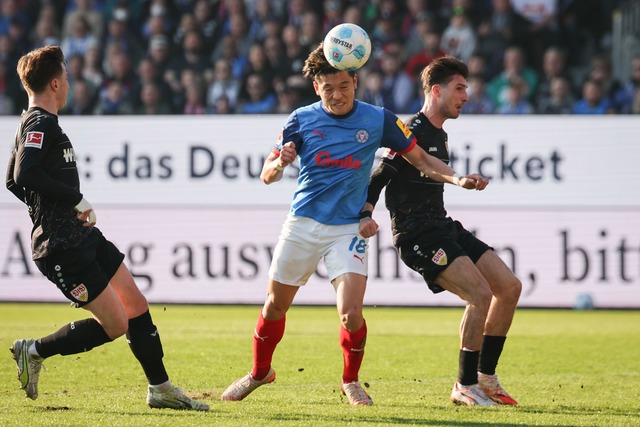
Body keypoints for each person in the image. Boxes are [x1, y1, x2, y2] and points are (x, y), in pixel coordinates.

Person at [220, 43, 481, 406]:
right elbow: (266, 175)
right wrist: (280, 163)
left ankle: (351, 380)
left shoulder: (379, 119)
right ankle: (260, 372)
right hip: (303, 224)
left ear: (355, 81)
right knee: (274, 308)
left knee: (351, 312)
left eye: (344, 86)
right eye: (328, 88)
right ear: (316, 88)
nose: (337, 95)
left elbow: (421, 159)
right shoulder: (300, 119)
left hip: (347, 229)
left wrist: (456, 180)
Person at [5, 45, 208, 411]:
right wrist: (71, 201)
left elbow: (12, 181)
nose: (68, 83)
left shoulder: (34, 123)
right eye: (65, 78)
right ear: (54, 83)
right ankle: (33, 351)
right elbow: (23, 174)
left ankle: (160, 388)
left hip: (80, 234)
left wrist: (53, 208)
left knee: (136, 303)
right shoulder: (38, 123)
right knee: (116, 325)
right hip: (61, 245)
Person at [361, 56, 521, 407]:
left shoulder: (440, 135)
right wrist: (366, 214)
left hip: (442, 225)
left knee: (508, 288)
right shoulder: (408, 130)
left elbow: (435, 171)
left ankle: (485, 378)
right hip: (417, 234)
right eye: (460, 88)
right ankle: (464, 386)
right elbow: (377, 177)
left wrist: (463, 178)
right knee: (479, 294)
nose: (467, 94)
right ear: (436, 90)